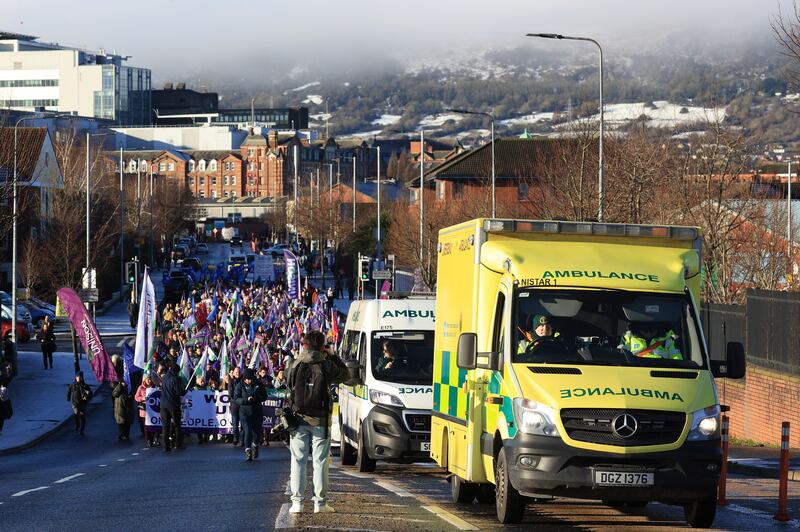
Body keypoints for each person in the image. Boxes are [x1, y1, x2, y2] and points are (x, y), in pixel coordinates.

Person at [287, 330, 350, 514]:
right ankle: (320, 504)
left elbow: (287, 384)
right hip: (320, 420)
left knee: (297, 460)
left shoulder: (294, 363)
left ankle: (297, 503)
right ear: (322, 346)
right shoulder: (326, 364)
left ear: (304, 344)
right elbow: (345, 375)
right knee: (320, 462)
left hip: (297, 419)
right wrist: (333, 355)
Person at [234, 368, 267, 461]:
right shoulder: (240, 385)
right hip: (245, 412)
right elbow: (236, 398)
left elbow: (265, 396)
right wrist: (246, 400)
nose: (249, 381)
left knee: (257, 432)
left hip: (257, 411)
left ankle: (255, 445)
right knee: (247, 431)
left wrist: (257, 398)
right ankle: (248, 451)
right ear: (244, 379)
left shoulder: (258, 384)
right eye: (247, 379)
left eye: (251, 379)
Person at [160, 362, 186, 452]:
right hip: (173, 405)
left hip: (163, 405)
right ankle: (178, 444)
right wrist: (185, 391)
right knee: (177, 425)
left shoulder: (164, 378)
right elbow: (179, 392)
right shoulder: (176, 379)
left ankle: (165, 446)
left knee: (165, 426)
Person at [135, 374, 159, 447]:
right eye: (148, 379)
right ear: (144, 380)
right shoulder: (141, 388)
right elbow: (136, 397)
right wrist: (143, 398)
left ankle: (155, 439)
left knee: (154, 425)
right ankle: (149, 440)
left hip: (153, 410)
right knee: (146, 427)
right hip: (144, 411)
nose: (149, 380)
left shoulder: (154, 387)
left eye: (150, 379)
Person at [227, 366, 242, 445]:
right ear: (233, 373)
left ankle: (242, 439)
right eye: (236, 372)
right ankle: (235, 438)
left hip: (243, 406)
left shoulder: (243, 381)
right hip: (234, 406)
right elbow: (231, 394)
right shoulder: (231, 382)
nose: (237, 373)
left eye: (239, 372)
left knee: (243, 424)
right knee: (235, 423)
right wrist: (238, 400)